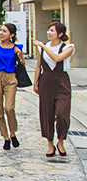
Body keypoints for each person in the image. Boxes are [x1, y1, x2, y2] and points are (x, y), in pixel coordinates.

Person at [33, 22, 75, 157]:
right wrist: (35, 82)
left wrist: (43, 46)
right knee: (47, 113)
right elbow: (39, 66)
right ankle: (50, 143)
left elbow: (57, 58)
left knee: (62, 112)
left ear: (60, 34)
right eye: (48, 30)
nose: (48, 33)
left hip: (61, 80)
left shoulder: (68, 47)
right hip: (46, 80)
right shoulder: (42, 48)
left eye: (52, 30)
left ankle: (61, 140)